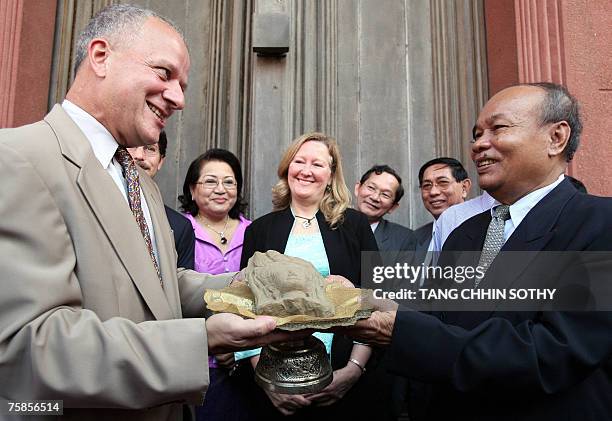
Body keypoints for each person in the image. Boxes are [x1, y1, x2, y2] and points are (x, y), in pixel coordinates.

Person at [0, 5, 298, 420]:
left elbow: (155, 284)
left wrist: (249, 287)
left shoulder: (140, 183)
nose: (178, 99)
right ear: (101, 57)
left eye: (183, 85)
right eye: (164, 74)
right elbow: (31, 346)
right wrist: (201, 340)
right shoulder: (16, 157)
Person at [343, 83, 612, 420]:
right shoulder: (464, 233)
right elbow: (440, 320)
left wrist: (399, 329)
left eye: (498, 128)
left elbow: (554, 352)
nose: (478, 145)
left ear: (556, 137)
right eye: (476, 133)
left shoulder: (600, 223)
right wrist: (377, 307)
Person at [238, 132, 391, 420]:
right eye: (299, 161)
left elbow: (375, 298)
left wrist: (353, 371)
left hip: (345, 372)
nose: (306, 171)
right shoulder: (259, 230)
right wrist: (267, 381)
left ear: (331, 175)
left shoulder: (355, 225)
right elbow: (245, 306)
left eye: (318, 164)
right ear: (287, 168)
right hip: (275, 376)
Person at [178, 148, 252, 421]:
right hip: (196, 361)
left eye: (229, 182)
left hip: (249, 361)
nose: (221, 189)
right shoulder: (177, 231)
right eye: (210, 181)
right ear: (192, 189)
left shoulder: (253, 230)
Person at [128, 130, 195, 269]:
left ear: (160, 161)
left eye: (150, 149)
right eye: (132, 145)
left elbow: (178, 282)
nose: (140, 156)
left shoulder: (179, 227)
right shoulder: (94, 205)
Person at [414, 157, 472, 265]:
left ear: (464, 188)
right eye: (427, 185)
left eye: (443, 183)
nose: (433, 192)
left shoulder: (485, 229)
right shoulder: (415, 238)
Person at [354, 164, 416, 260]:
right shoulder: (331, 225)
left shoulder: (405, 239)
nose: (375, 197)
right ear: (357, 188)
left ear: (393, 207)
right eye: (371, 188)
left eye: (385, 195)